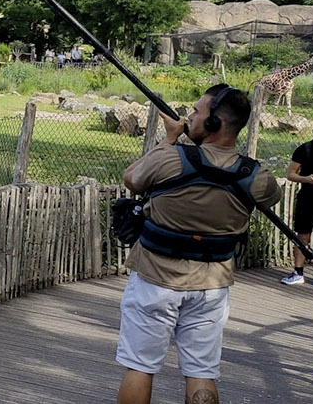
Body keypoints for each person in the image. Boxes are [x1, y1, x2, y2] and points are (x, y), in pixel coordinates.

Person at [115, 84, 281, 404]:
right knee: (202, 371)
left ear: (214, 122)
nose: (190, 116)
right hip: (212, 285)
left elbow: (132, 178)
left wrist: (169, 138)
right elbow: (270, 196)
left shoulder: (172, 157)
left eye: (197, 112)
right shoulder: (256, 175)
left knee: (140, 366)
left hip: (155, 279)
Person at [280, 122, 313, 289]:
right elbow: (290, 174)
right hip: (307, 196)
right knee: (302, 234)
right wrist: (306, 179)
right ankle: (298, 272)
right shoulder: (304, 149)